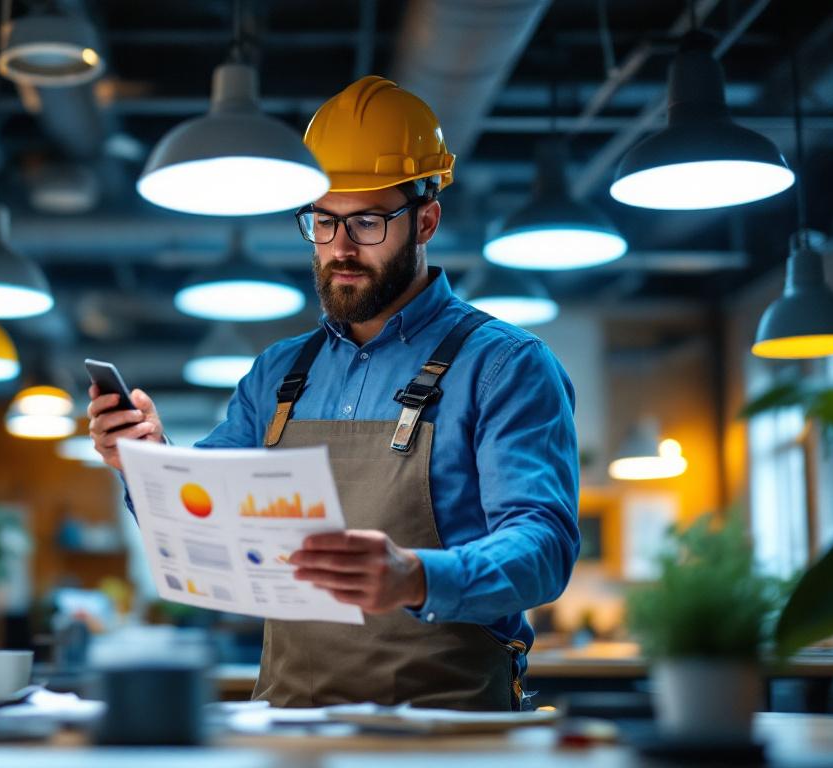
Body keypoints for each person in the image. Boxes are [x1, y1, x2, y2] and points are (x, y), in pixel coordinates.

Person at [88, 76, 579, 711]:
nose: (340, 249)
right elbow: (204, 525)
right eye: (323, 221)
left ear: (426, 218)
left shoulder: (504, 365)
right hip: (291, 729)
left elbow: (544, 546)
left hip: (449, 735)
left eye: (367, 222)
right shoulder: (278, 373)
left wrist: (419, 576)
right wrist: (147, 460)